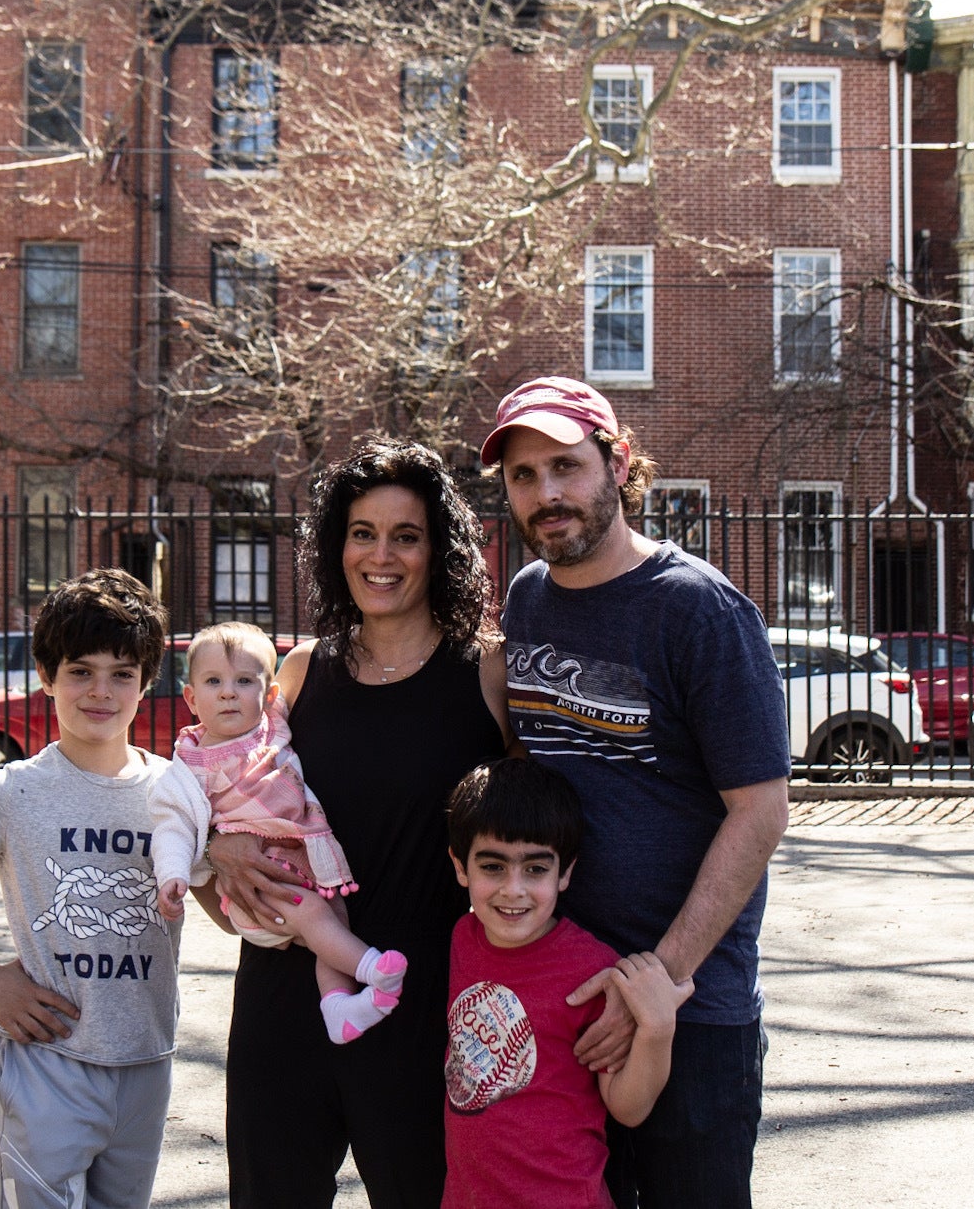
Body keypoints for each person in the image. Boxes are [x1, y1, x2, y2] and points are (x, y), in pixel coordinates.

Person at [480, 376, 791, 1209]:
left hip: (687, 1010)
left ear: (617, 464)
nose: (546, 495)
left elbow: (760, 812)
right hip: (564, 998)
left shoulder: (698, 611)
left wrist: (658, 982)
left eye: (566, 467)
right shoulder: (527, 600)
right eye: (522, 476)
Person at [207, 435, 510, 1209]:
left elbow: (534, 828)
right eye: (363, 534)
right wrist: (219, 845)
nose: (382, 555)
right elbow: (218, 787)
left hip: (421, 1005)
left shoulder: (487, 674)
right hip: (286, 997)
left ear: (438, 550)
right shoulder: (303, 672)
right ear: (337, 547)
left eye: (405, 536)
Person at [0, 569, 181, 1209]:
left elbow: (227, 906)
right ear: (46, 676)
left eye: (122, 673)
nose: (100, 691)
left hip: (147, 1063)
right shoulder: (11, 791)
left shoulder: (176, 794)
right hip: (48, 1062)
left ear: (147, 681)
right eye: (80, 670)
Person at [442, 758, 692, 1209]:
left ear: (565, 872)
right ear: (461, 867)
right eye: (493, 867)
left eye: (535, 869)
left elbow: (627, 1107)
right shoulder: (464, 937)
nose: (513, 889)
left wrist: (657, 1030)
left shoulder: (592, 969)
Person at [149, 621, 410, 1043]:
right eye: (213, 681)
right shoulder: (191, 766)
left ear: (268, 694)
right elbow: (172, 826)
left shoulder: (272, 726)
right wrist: (173, 874)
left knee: (333, 922)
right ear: (192, 698)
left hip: (304, 861)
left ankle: (339, 1006)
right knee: (314, 918)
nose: (229, 692)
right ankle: (373, 969)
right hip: (260, 882)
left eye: (244, 680)